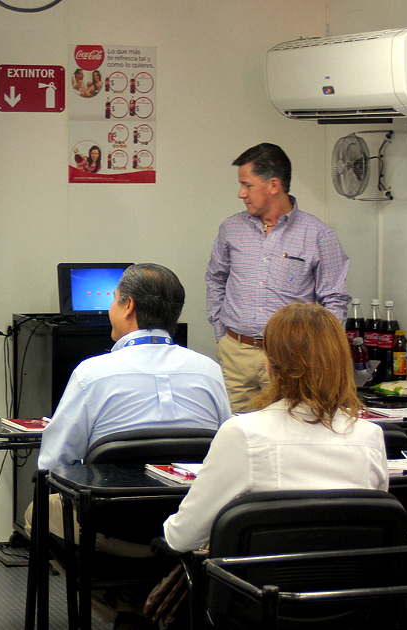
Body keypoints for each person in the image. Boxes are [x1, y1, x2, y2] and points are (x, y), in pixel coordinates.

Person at [162, 302, 388, 553]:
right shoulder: (370, 436)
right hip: (348, 587)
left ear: (272, 364)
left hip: (258, 588)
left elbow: (182, 538)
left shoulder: (243, 434)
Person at [39, 263, 231, 471]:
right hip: (191, 501)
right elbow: (227, 451)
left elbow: (53, 464)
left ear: (128, 305)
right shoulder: (210, 372)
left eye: (114, 299)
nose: (111, 308)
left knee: (42, 503)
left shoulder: (91, 375)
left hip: (109, 502)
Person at [205, 142, 350, 412]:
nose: (241, 194)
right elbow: (215, 278)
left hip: (292, 359)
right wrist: (221, 333)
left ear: (273, 185)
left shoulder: (318, 234)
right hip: (236, 353)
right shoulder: (231, 228)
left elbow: (334, 300)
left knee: (291, 430)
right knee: (234, 433)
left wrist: (319, 353)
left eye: (247, 185)